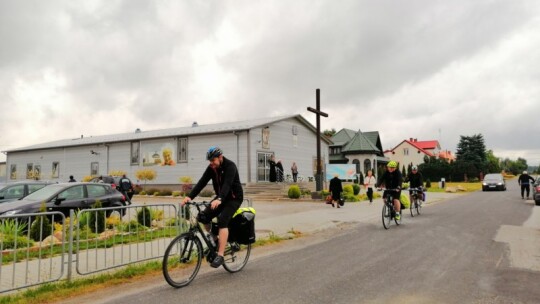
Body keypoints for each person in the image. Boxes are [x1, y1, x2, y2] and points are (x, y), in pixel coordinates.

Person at [181, 146, 244, 268]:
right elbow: (202, 182)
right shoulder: (212, 168)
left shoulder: (230, 166)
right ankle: (215, 241)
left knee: (222, 221)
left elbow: (227, 185)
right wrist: (190, 197)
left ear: (220, 157)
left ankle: (220, 255)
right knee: (203, 217)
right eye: (210, 161)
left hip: (234, 198)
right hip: (221, 198)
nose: (212, 164)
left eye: (213, 161)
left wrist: (220, 199)